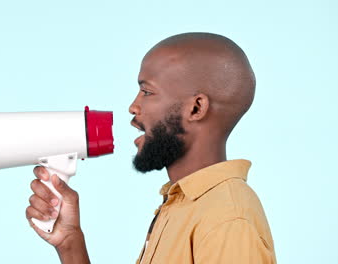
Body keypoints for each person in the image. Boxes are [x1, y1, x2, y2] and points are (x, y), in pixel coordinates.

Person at [25, 32, 277, 264]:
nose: (133, 107)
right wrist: (71, 244)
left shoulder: (226, 219)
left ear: (196, 108)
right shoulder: (183, 206)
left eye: (147, 91)